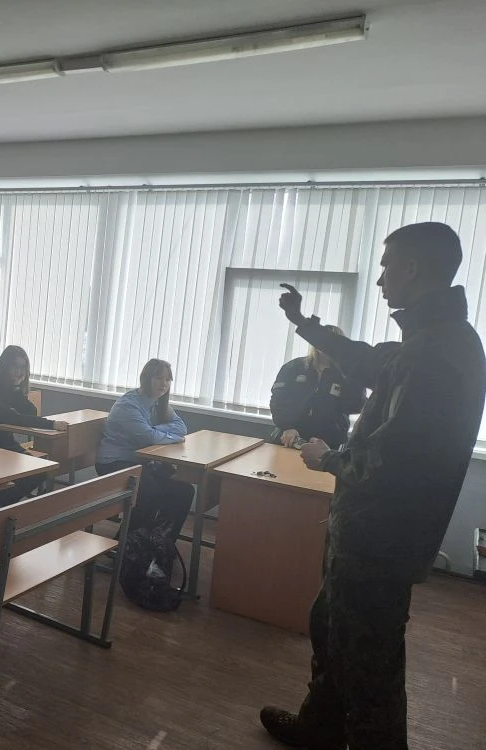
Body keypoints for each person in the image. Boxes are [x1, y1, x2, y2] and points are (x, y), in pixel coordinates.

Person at [261, 222, 486, 750]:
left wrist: (328, 458)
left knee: (369, 665)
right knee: (333, 631)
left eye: (386, 267)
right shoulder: (431, 339)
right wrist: (305, 324)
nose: (381, 279)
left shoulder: (437, 353)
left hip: (381, 540)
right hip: (369, 533)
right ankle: (319, 728)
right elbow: (367, 360)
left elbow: (395, 461)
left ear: (412, 267)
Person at [95, 358, 194, 551]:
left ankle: (160, 542)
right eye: (158, 378)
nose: (164, 383)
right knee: (150, 493)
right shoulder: (128, 405)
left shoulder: (159, 403)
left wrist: (155, 431)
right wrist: (159, 433)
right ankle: (126, 545)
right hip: (114, 463)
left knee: (184, 491)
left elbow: (181, 428)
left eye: (168, 379)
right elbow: (149, 437)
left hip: (140, 462)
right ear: (146, 379)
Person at [0, 345, 68, 507]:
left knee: (41, 469)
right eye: (15, 367)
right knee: (34, 471)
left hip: (2, 443)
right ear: (4, 367)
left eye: (23, 368)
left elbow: (31, 411)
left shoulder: (9, 388)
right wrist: (51, 424)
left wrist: (17, 389)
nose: (20, 372)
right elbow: (9, 417)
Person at [269, 325, 365, 449]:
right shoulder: (294, 367)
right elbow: (277, 400)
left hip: (329, 440)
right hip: (290, 436)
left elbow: (356, 406)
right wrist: (288, 427)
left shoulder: (347, 374)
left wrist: (354, 377)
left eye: (332, 341)